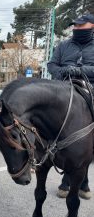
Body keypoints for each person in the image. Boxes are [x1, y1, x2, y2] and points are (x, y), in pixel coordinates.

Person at [48, 13, 94, 200]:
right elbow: (51, 65)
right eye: (75, 26)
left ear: (91, 26)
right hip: (64, 85)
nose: (76, 29)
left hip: (90, 86)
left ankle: (78, 182)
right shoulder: (63, 45)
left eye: (81, 26)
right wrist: (62, 71)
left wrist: (81, 70)